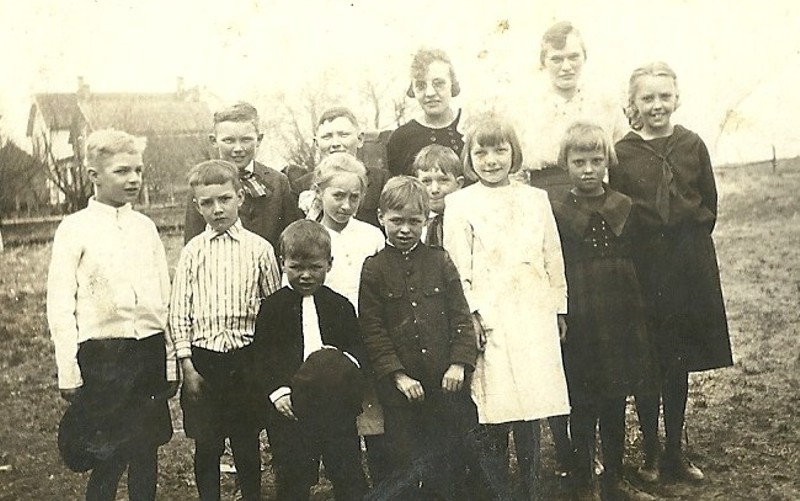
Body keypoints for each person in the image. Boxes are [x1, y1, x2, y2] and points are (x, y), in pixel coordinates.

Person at [610, 62, 733, 485]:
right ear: (634, 104)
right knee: (648, 359)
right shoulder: (622, 152)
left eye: (664, 96)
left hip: (687, 264)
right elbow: (619, 211)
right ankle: (649, 453)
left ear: (676, 98)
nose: (657, 105)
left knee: (677, 359)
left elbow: (709, 202)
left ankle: (676, 449)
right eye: (648, 98)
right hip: (645, 267)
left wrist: (690, 243)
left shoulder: (692, 143)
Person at [443, 114, 570, 500]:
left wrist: (558, 307)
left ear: (514, 154)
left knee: (533, 405)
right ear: (469, 157)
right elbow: (457, 267)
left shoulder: (535, 199)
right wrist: (472, 316)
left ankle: (530, 487)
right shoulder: (459, 203)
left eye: (500, 150)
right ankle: (500, 490)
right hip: (491, 317)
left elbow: (552, 256)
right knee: (496, 407)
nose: (492, 160)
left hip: (533, 312)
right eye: (481, 152)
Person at [47, 129, 176, 501]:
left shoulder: (145, 227)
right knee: (108, 453)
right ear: (93, 176)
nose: (134, 179)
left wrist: (167, 362)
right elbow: (60, 303)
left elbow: (161, 300)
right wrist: (68, 369)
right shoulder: (74, 229)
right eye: (122, 171)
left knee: (145, 450)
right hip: (104, 358)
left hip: (147, 352)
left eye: (138, 170)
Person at [551, 122, 657, 501]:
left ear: (607, 161)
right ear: (565, 163)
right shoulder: (558, 211)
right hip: (581, 310)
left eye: (596, 160)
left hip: (621, 310)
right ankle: (584, 480)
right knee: (583, 397)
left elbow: (643, 262)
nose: (588, 169)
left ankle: (615, 477)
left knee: (616, 394)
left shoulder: (624, 205)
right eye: (579, 161)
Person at [358, 176, 478, 500]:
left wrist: (458, 365)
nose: (405, 229)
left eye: (414, 221)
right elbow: (372, 329)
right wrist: (397, 376)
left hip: (444, 382)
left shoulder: (441, 261)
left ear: (426, 220)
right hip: (401, 388)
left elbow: (460, 316)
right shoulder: (373, 269)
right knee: (404, 462)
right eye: (396, 221)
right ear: (381, 217)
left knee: (450, 459)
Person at [169, 160, 281, 501]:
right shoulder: (192, 253)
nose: (217, 209)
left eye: (225, 199)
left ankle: (251, 495)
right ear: (196, 205)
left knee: (246, 440)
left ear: (240, 197)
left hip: (246, 360)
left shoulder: (259, 249)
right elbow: (179, 312)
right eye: (207, 203)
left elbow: (274, 310)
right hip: (204, 361)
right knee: (207, 443)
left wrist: (264, 364)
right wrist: (187, 365)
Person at [251, 220, 369, 501]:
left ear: (329, 264)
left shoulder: (339, 306)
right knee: (293, 477)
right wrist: (278, 392)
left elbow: (357, 350)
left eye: (315, 267)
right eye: (296, 267)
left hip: (335, 407)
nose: (305, 275)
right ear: (283, 264)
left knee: (347, 472)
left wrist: (340, 366)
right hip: (290, 408)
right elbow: (262, 356)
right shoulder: (273, 308)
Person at [307, 151, 389, 484]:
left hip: (369, 337)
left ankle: (386, 487)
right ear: (319, 193)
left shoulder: (371, 236)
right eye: (337, 195)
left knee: (376, 425)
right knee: (341, 433)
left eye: (354, 197)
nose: (346, 204)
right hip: (329, 345)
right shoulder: (308, 236)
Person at [516, 21, 627, 201]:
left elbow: (622, 159)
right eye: (557, 59)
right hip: (545, 199)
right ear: (543, 62)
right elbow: (516, 171)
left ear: (584, 57)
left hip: (597, 198)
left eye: (574, 57)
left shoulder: (606, 104)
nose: (566, 67)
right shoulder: (525, 108)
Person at [184, 101, 298, 248]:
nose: (238, 148)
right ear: (214, 141)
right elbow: (192, 241)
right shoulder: (201, 183)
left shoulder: (278, 182)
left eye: (246, 139)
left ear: (259, 139)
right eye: (229, 140)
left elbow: (291, 242)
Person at [293, 106, 389, 228]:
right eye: (327, 136)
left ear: (360, 139)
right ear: (316, 144)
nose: (335, 143)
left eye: (343, 135)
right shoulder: (301, 186)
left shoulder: (381, 181)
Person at [386, 48, 465, 177]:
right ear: (413, 89)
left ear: (452, 84)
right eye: (421, 85)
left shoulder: (468, 128)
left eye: (439, 83)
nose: (430, 93)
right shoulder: (402, 138)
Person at [411, 144, 465, 247]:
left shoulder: (466, 221)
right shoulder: (411, 224)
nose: (434, 189)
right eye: (426, 181)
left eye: (443, 180)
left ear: (458, 184)